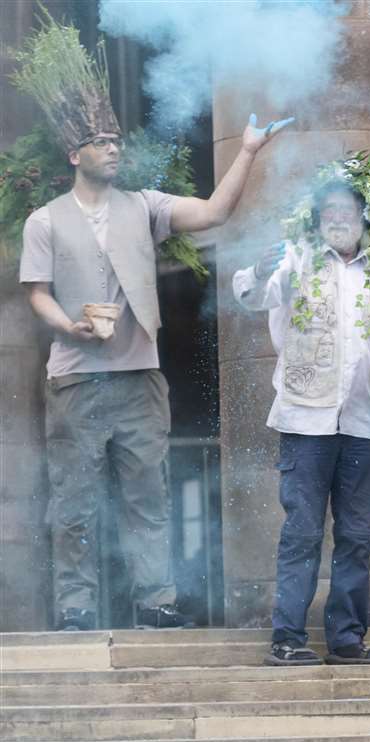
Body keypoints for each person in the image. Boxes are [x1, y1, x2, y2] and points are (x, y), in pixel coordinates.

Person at [17, 30, 291, 630]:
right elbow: (36, 294)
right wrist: (69, 326)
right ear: (75, 155)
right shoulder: (45, 221)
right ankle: (77, 608)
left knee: (147, 494)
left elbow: (215, 213)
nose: (114, 149)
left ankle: (156, 601)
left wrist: (246, 151)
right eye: (101, 142)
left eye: (116, 140)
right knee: (74, 502)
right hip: (73, 378)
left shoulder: (144, 206)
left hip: (139, 376)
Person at [232, 163, 370, 666]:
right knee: (302, 533)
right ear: (317, 219)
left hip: (362, 425)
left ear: (365, 218)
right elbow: (252, 295)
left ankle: (345, 639)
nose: (339, 217)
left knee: (357, 539)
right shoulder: (294, 260)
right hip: (304, 423)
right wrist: (256, 266)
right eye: (330, 210)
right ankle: (288, 638)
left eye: (348, 209)